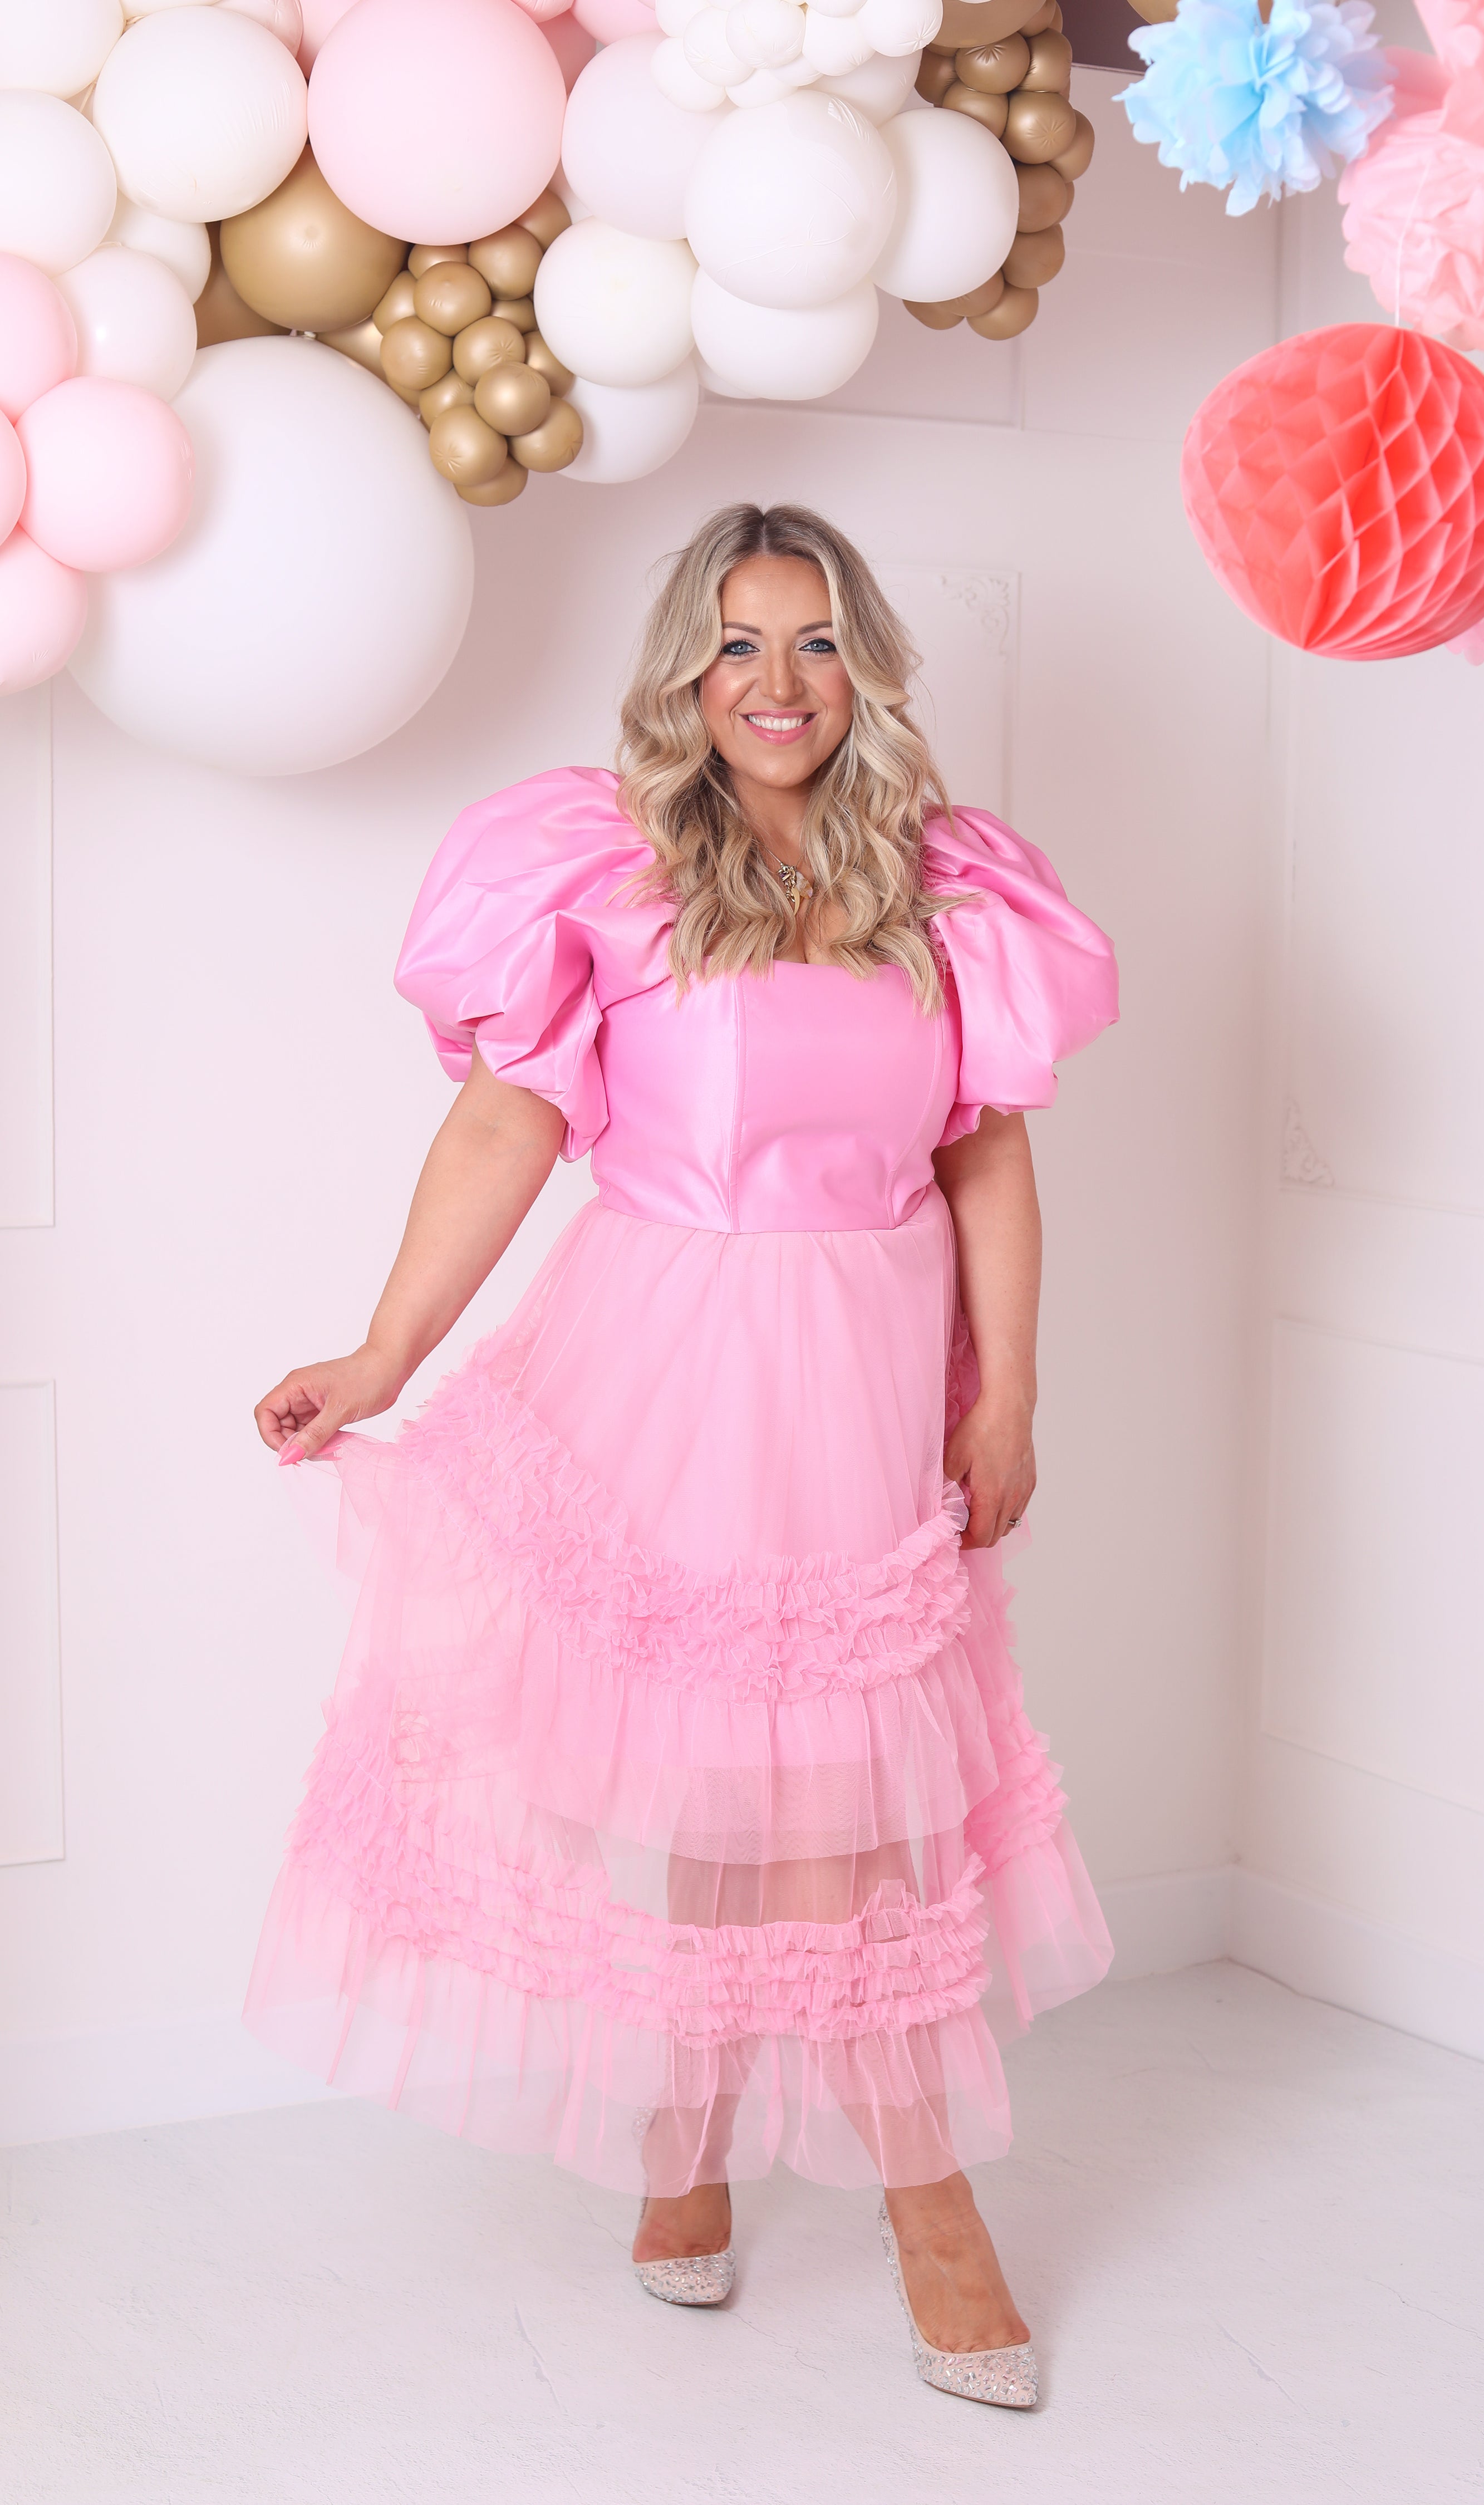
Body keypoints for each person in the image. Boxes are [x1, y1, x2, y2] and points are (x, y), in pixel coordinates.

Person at [247, 502, 1118, 2410]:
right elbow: (504, 1132)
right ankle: (825, 2178)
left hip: (870, 1368)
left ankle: (802, 2175)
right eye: (737, 645)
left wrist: (1011, 1392)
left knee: (833, 1803)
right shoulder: (614, 871)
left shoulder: (949, 886)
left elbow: (988, 1157)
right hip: (665, 1357)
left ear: (864, 665)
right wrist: (387, 1347)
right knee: (758, 1793)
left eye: (812, 642)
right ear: (685, 672)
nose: (777, 683)